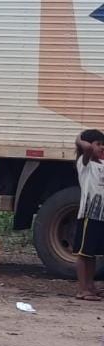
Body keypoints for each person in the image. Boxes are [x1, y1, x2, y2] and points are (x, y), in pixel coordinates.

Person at [73, 128, 104, 300]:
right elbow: (88, 149)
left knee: (91, 253)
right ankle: (82, 289)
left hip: (100, 216)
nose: (101, 148)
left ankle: (90, 286)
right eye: (98, 144)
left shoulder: (101, 164)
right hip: (88, 215)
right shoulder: (84, 164)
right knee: (84, 254)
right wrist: (79, 139)